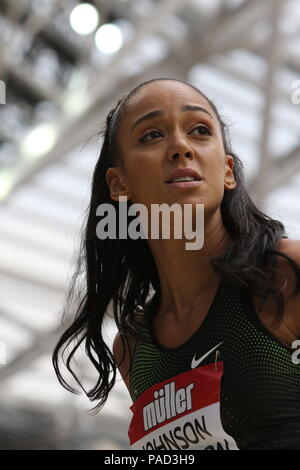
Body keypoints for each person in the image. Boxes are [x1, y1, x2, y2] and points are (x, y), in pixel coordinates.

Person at [52, 77, 300, 450]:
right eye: (152, 135)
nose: (181, 147)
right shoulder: (133, 348)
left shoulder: (284, 274)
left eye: (200, 131)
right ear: (119, 184)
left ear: (228, 170)